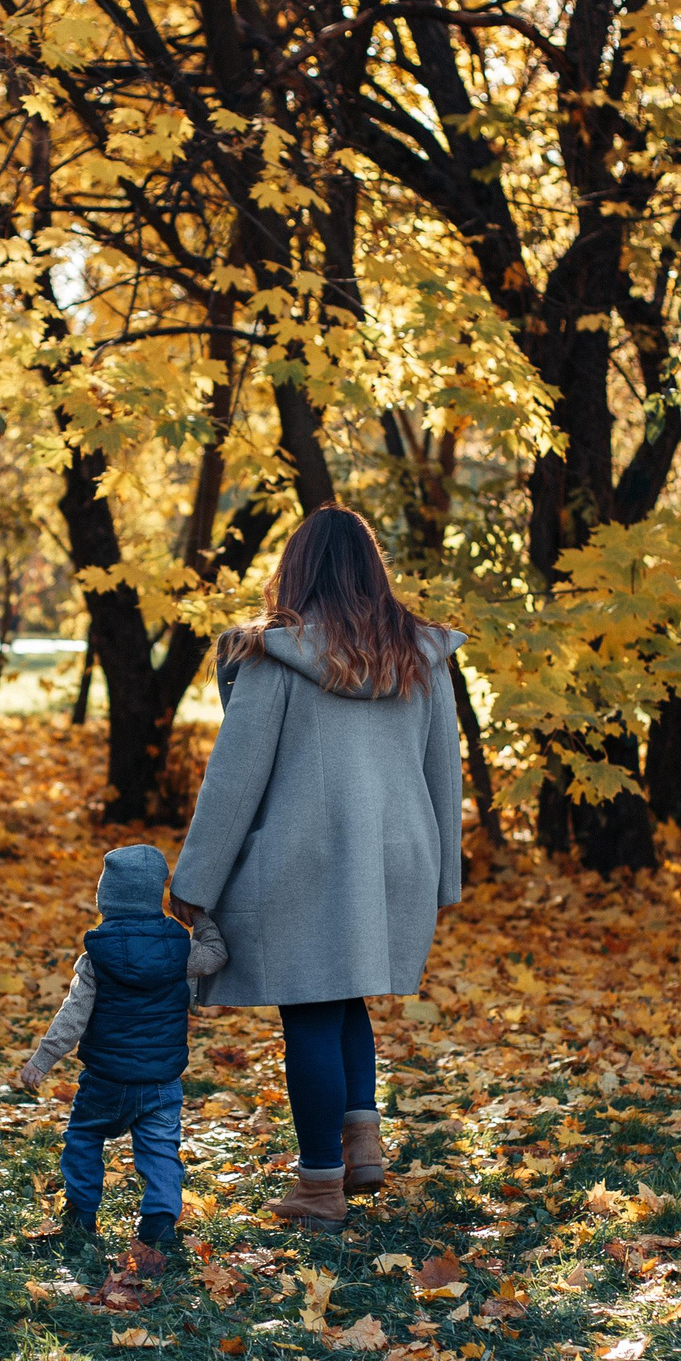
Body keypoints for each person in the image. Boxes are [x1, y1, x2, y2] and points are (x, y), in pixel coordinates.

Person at [171, 504, 464, 1232]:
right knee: (346, 996)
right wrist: (445, 877)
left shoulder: (275, 654)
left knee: (309, 1008)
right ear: (372, 570)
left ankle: (318, 1185)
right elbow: (444, 773)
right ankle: (360, 1144)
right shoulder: (419, 653)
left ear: (295, 568)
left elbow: (234, 779)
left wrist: (194, 880)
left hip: (306, 856)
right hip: (398, 856)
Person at [16, 844, 229, 1252]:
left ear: (106, 899)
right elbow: (217, 956)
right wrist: (200, 919)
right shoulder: (179, 949)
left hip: (105, 1080)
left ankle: (80, 1215)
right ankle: (159, 1223)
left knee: (83, 1138)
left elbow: (73, 1015)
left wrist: (42, 1061)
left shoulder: (98, 954)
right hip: (161, 1081)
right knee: (160, 1150)